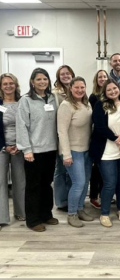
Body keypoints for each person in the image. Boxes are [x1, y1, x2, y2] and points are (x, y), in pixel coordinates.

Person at [16, 68, 58, 232]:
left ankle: (46, 214)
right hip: (34, 151)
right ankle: (33, 220)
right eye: (39, 79)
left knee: (47, 184)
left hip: (51, 148)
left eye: (45, 79)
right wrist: (26, 149)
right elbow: (22, 126)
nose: (42, 82)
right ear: (32, 82)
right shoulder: (25, 100)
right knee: (34, 185)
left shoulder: (52, 98)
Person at [89, 79, 120, 228]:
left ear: (118, 88)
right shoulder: (100, 106)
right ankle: (105, 213)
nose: (113, 91)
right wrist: (117, 140)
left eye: (114, 88)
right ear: (105, 93)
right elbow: (99, 127)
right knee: (109, 183)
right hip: (106, 151)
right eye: (109, 90)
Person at [57, 76, 93, 228]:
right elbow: (62, 131)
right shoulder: (66, 105)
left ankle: (80, 209)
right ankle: (71, 214)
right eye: (76, 87)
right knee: (78, 183)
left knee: (85, 183)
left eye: (82, 87)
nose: (79, 90)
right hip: (72, 150)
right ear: (70, 88)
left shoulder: (86, 103)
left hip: (86, 150)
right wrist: (66, 154)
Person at [0, 73, 25, 230]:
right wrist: (5, 145)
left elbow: (27, 124)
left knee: (20, 181)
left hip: (20, 148)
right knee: (1, 182)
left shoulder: (23, 102)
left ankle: (21, 211)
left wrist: (19, 144)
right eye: (5, 84)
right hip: (1, 147)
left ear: (16, 85)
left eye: (11, 83)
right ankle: (2, 217)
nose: (8, 86)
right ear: (1, 87)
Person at [52, 65, 75, 212]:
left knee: (71, 172)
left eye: (68, 73)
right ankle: (61, 202)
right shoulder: (55, 94)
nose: (65, 76)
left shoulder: (76, 91)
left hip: (75, 138)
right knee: (60, 170)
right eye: (62, 74)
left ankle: (71, 199)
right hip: (60, 137)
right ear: (58, 77)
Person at [88, 69, 109, 209]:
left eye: (104, 76)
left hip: (108, 138)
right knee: (96, 170)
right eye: (100, 77)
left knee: (104, 171)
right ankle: (94, 196)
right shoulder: (93, 97)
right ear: (96, 80)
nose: (102, 78)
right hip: (97, 137)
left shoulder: (110, 95)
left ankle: (103, 195)